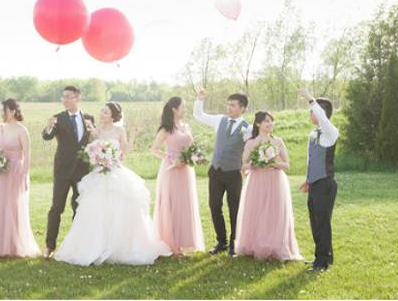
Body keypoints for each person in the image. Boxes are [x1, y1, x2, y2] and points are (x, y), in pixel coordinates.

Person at [54, 102, 171, 265]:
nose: (102, 115)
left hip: (116, 171)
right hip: (99, 174)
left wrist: (132, 135)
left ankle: (119, 247)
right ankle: (95, 246)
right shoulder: (96, 131)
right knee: (95, 210)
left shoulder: (119, 130)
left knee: (120, 207)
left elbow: (124, 154)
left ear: (113, 116)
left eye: (106, 113)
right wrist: (97, 157)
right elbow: (89, 149)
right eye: (102, 111)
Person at [235, 111, 302, 261]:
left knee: (275, 212)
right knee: (257, 211)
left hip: (276, 180)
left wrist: (274, 163)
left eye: (271, 121)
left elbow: (287, 164)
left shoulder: (278, 141)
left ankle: (275, 245)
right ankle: (254, 244)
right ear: (258, 124)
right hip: (257, 181)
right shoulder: (251, 143)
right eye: (266, 121)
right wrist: (254, 163)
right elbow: (244, 166)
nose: (270, 124)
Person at [193, 88, 252, 256]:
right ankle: (221, 241)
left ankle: (235, 243)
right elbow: (199, 115)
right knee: (214, 206)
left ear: (242, 108)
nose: (229, 108)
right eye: (228, 105)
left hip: (234, 173)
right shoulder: (220, 120)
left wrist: (245, 166)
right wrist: (200, 99)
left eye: (232, 105)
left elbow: (249, 150)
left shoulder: (247, 128)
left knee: (234, 209)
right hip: (216, 171)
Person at [0, 98, 40, 257]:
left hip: (16, 173)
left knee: (13, 208)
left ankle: (14, 245)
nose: (1, 114)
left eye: (4, 110)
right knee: (0, 206)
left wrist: (24, 176)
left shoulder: (22, 130)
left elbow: (27, 156)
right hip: (2, 172)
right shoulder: (1, 128)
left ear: (12, 111)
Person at [41, 86, 94, 260]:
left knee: (79, 208)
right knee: (56, 208)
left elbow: (94, 141)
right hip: (62, 171)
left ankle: (78, 245)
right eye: (62, 97)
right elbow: (47, 137)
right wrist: (48, 128)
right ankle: (49, 246)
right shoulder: (58, 118)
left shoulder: (89, 118)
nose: (64, 100)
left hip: (82, 171)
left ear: (78, 97)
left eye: (68, 97)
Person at [150, 97, 206, 257]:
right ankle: (172, 244)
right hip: (171, 170)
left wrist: (193, 157)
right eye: (183, 107)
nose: (185, 110)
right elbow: (153, 149)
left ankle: (184, 241)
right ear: (174, 109)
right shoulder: (166, 129)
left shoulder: (186, 126)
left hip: (186, 170)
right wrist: (171, 158)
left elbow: (192, 147)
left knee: (185, 204)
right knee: (172, 204)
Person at [298, 87, 339, 272]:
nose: (311, 114)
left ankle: (322, 262)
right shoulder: (313, 134)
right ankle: (322, 257)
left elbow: (322, 118)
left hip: (325, 184)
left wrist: (310, 99)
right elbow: (310, 159)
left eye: (313, 111)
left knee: (322, 222)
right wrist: (307, 179)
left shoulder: (331, 132)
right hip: (314, 183)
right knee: (315, 221)